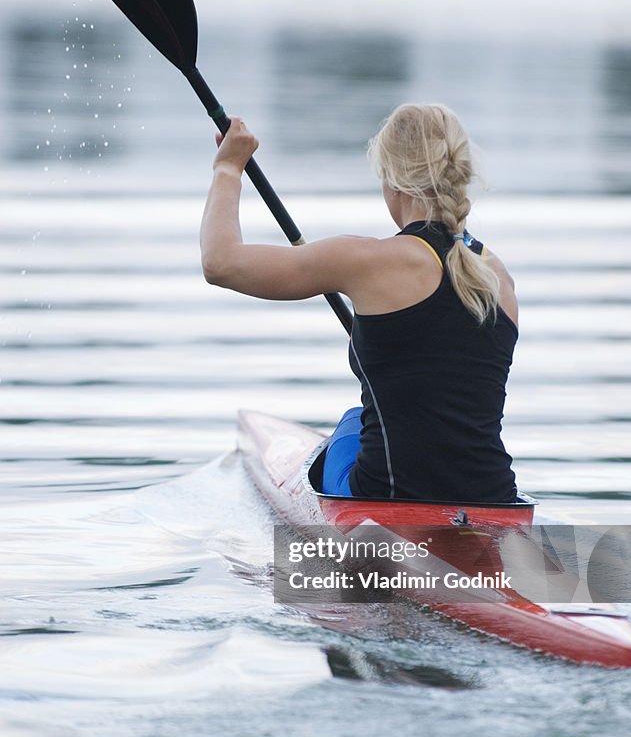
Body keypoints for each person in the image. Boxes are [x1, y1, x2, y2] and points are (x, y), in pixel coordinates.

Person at [201, 103, 518, 503]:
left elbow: (220, 263)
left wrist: (228, 168)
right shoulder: (498, 277)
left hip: (389, 498)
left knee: (354, 422)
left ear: (392, 179)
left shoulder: (367, 260)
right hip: (497, 498)